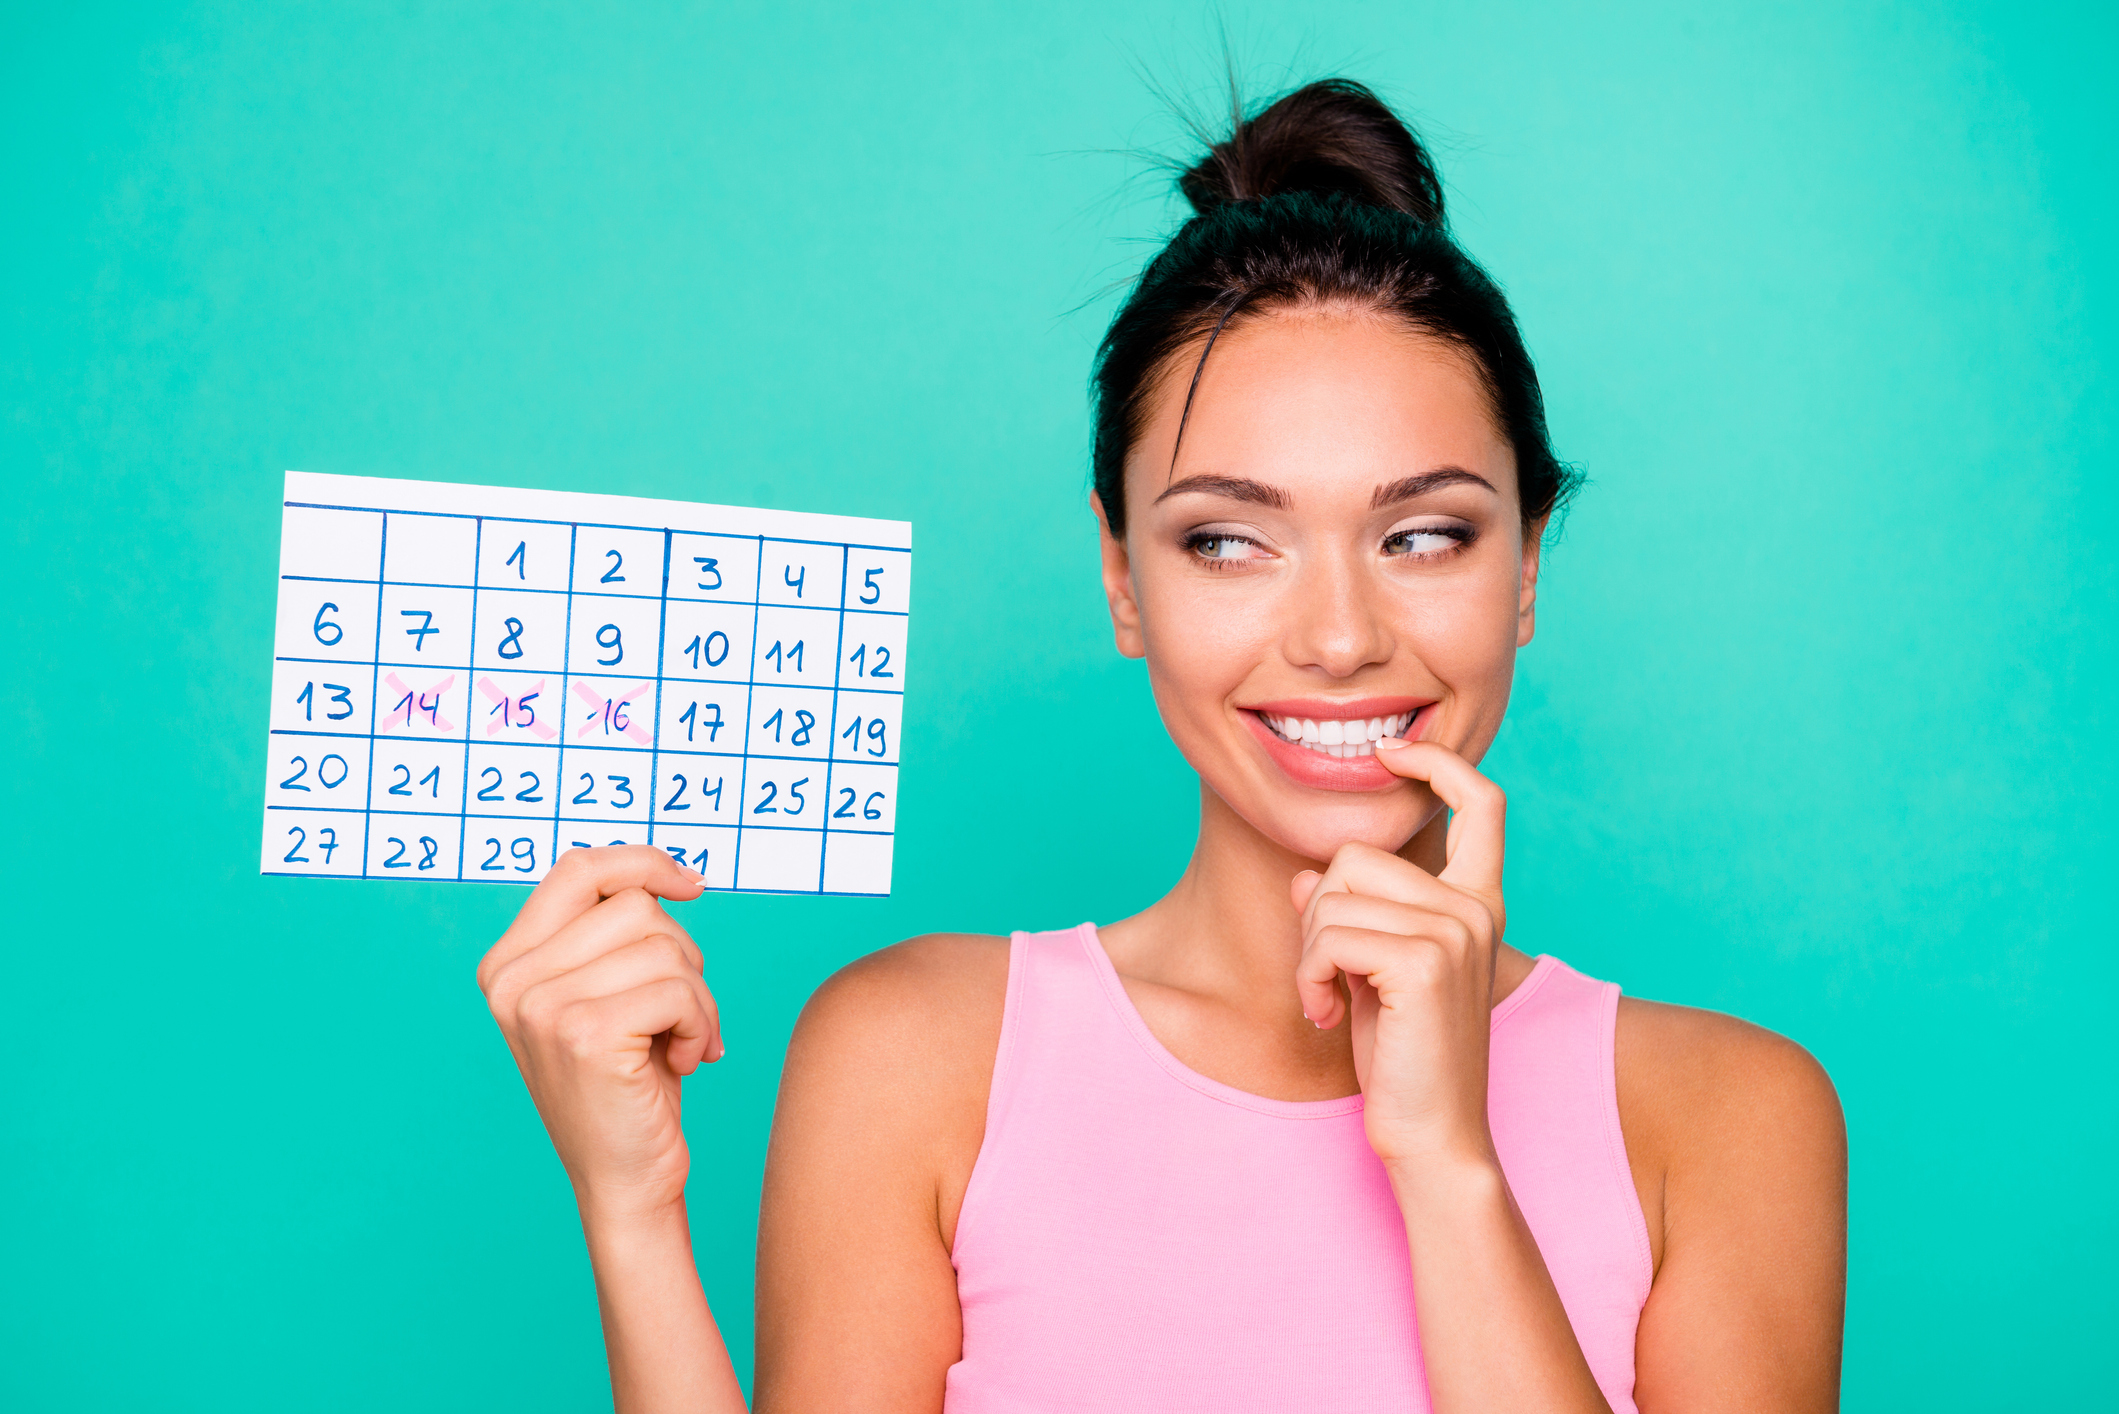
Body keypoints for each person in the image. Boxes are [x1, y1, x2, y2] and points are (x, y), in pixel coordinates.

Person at [475, 79, 1847, 1414]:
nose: (1338, 637)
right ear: (1123, 577)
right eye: (1228, 540)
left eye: (1423, 533)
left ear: (1528, 565)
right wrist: (632, 1214)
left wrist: (1446, 1157)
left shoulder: (1731, 1117)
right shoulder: (912, 1057)